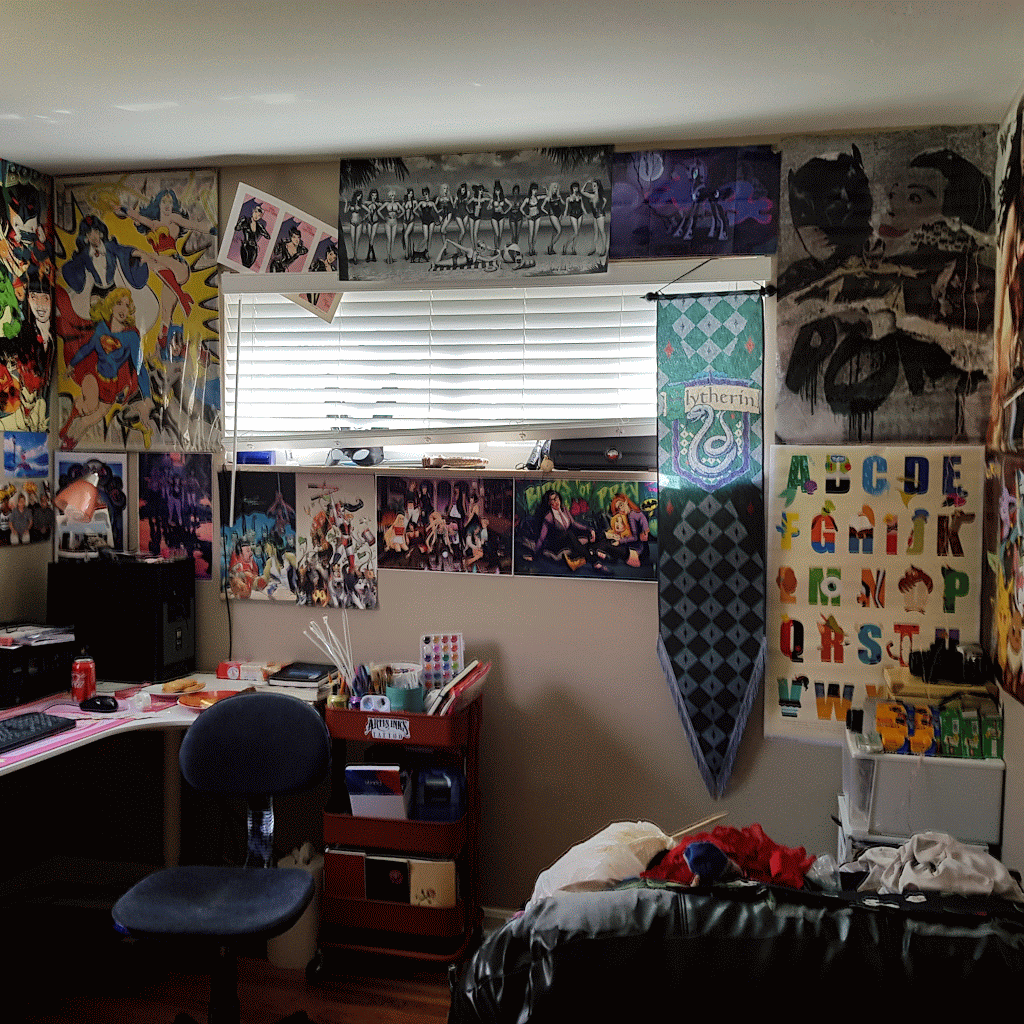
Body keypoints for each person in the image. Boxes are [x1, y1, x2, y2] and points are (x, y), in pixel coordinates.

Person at [533, 489, 607, 572]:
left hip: (568, 538)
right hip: (556, 542)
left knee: (589, 533)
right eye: (552, 500)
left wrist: (589, 529)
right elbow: (542, 537)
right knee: (569, 533)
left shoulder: (564, 509)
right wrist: (535, 553)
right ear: (549, 503)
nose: (556, 501)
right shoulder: (549, 517)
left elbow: (574, 523)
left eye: (556, 498)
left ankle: (594, 552)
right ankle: (594, 562)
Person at [232, 198, 271, 268]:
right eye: (256, 212)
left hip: (254, 249)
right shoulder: (245, 220)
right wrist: (241, 224)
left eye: (259, 215)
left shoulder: (259, 226)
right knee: (244, 265)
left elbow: (268, 237)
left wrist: (263, 231)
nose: (256, 216)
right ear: (253, 211)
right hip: (245, 246)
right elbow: (237, 228)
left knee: (248, 267)